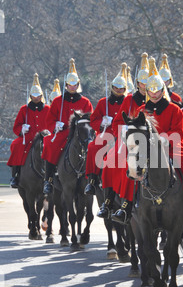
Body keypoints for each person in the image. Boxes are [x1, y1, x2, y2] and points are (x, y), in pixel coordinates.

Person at [112, 56, 183, 224]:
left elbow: (179, 131)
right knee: (131, 165)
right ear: (147, 91)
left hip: (169, 146)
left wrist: (164, 138)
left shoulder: (174, 109)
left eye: (157, 90)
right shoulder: (141, 110)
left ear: (163, 90)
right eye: (151, 91)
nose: (154, 94)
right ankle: (126, 205)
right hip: (146, 148)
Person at [97, 53, 148, 220]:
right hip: (130, 140)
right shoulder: (129, 100)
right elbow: (118, 121)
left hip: (150, 141)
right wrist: (126, 126)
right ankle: (110, 200)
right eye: (142, 82)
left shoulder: (158, 101)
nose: (145, 86)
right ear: (138, 83)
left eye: (148, 83)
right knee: (112, 160)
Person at [42, 58, 93, 195]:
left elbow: (90, 119)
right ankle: (49, 179)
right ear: (66, 85)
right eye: (70, 85)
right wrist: (55, 125)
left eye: (75, 84)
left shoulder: (85, 102)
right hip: (62, 133)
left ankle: (92, 180)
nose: (72, 87)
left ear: (78, 85)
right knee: (50, 145)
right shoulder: (58, 101)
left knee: (91, 148)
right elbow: (49, 120)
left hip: (79, 134)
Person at [84, 62, 127, 195]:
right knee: (92, 147)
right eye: (116, 88)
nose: (118, 91)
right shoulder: (104, 102)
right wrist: (102, 123)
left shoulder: (128, 102)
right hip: (105, 134)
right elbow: (93, 119)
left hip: (121, 135)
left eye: (121, 89)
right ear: (112, 87)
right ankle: (92, 180)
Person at [7, 73, 50, 188]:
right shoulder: (23, 109)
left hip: (43, 139)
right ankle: (15, 175)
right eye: (34, 96)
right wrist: (22, 129)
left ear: (41, 96)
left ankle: (54, 175)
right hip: (28, 138)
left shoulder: (47, 109)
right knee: (15, 145)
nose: (36, 98)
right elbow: (16, 127)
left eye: (38, 96)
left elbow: (51, 124)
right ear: (30, 96)